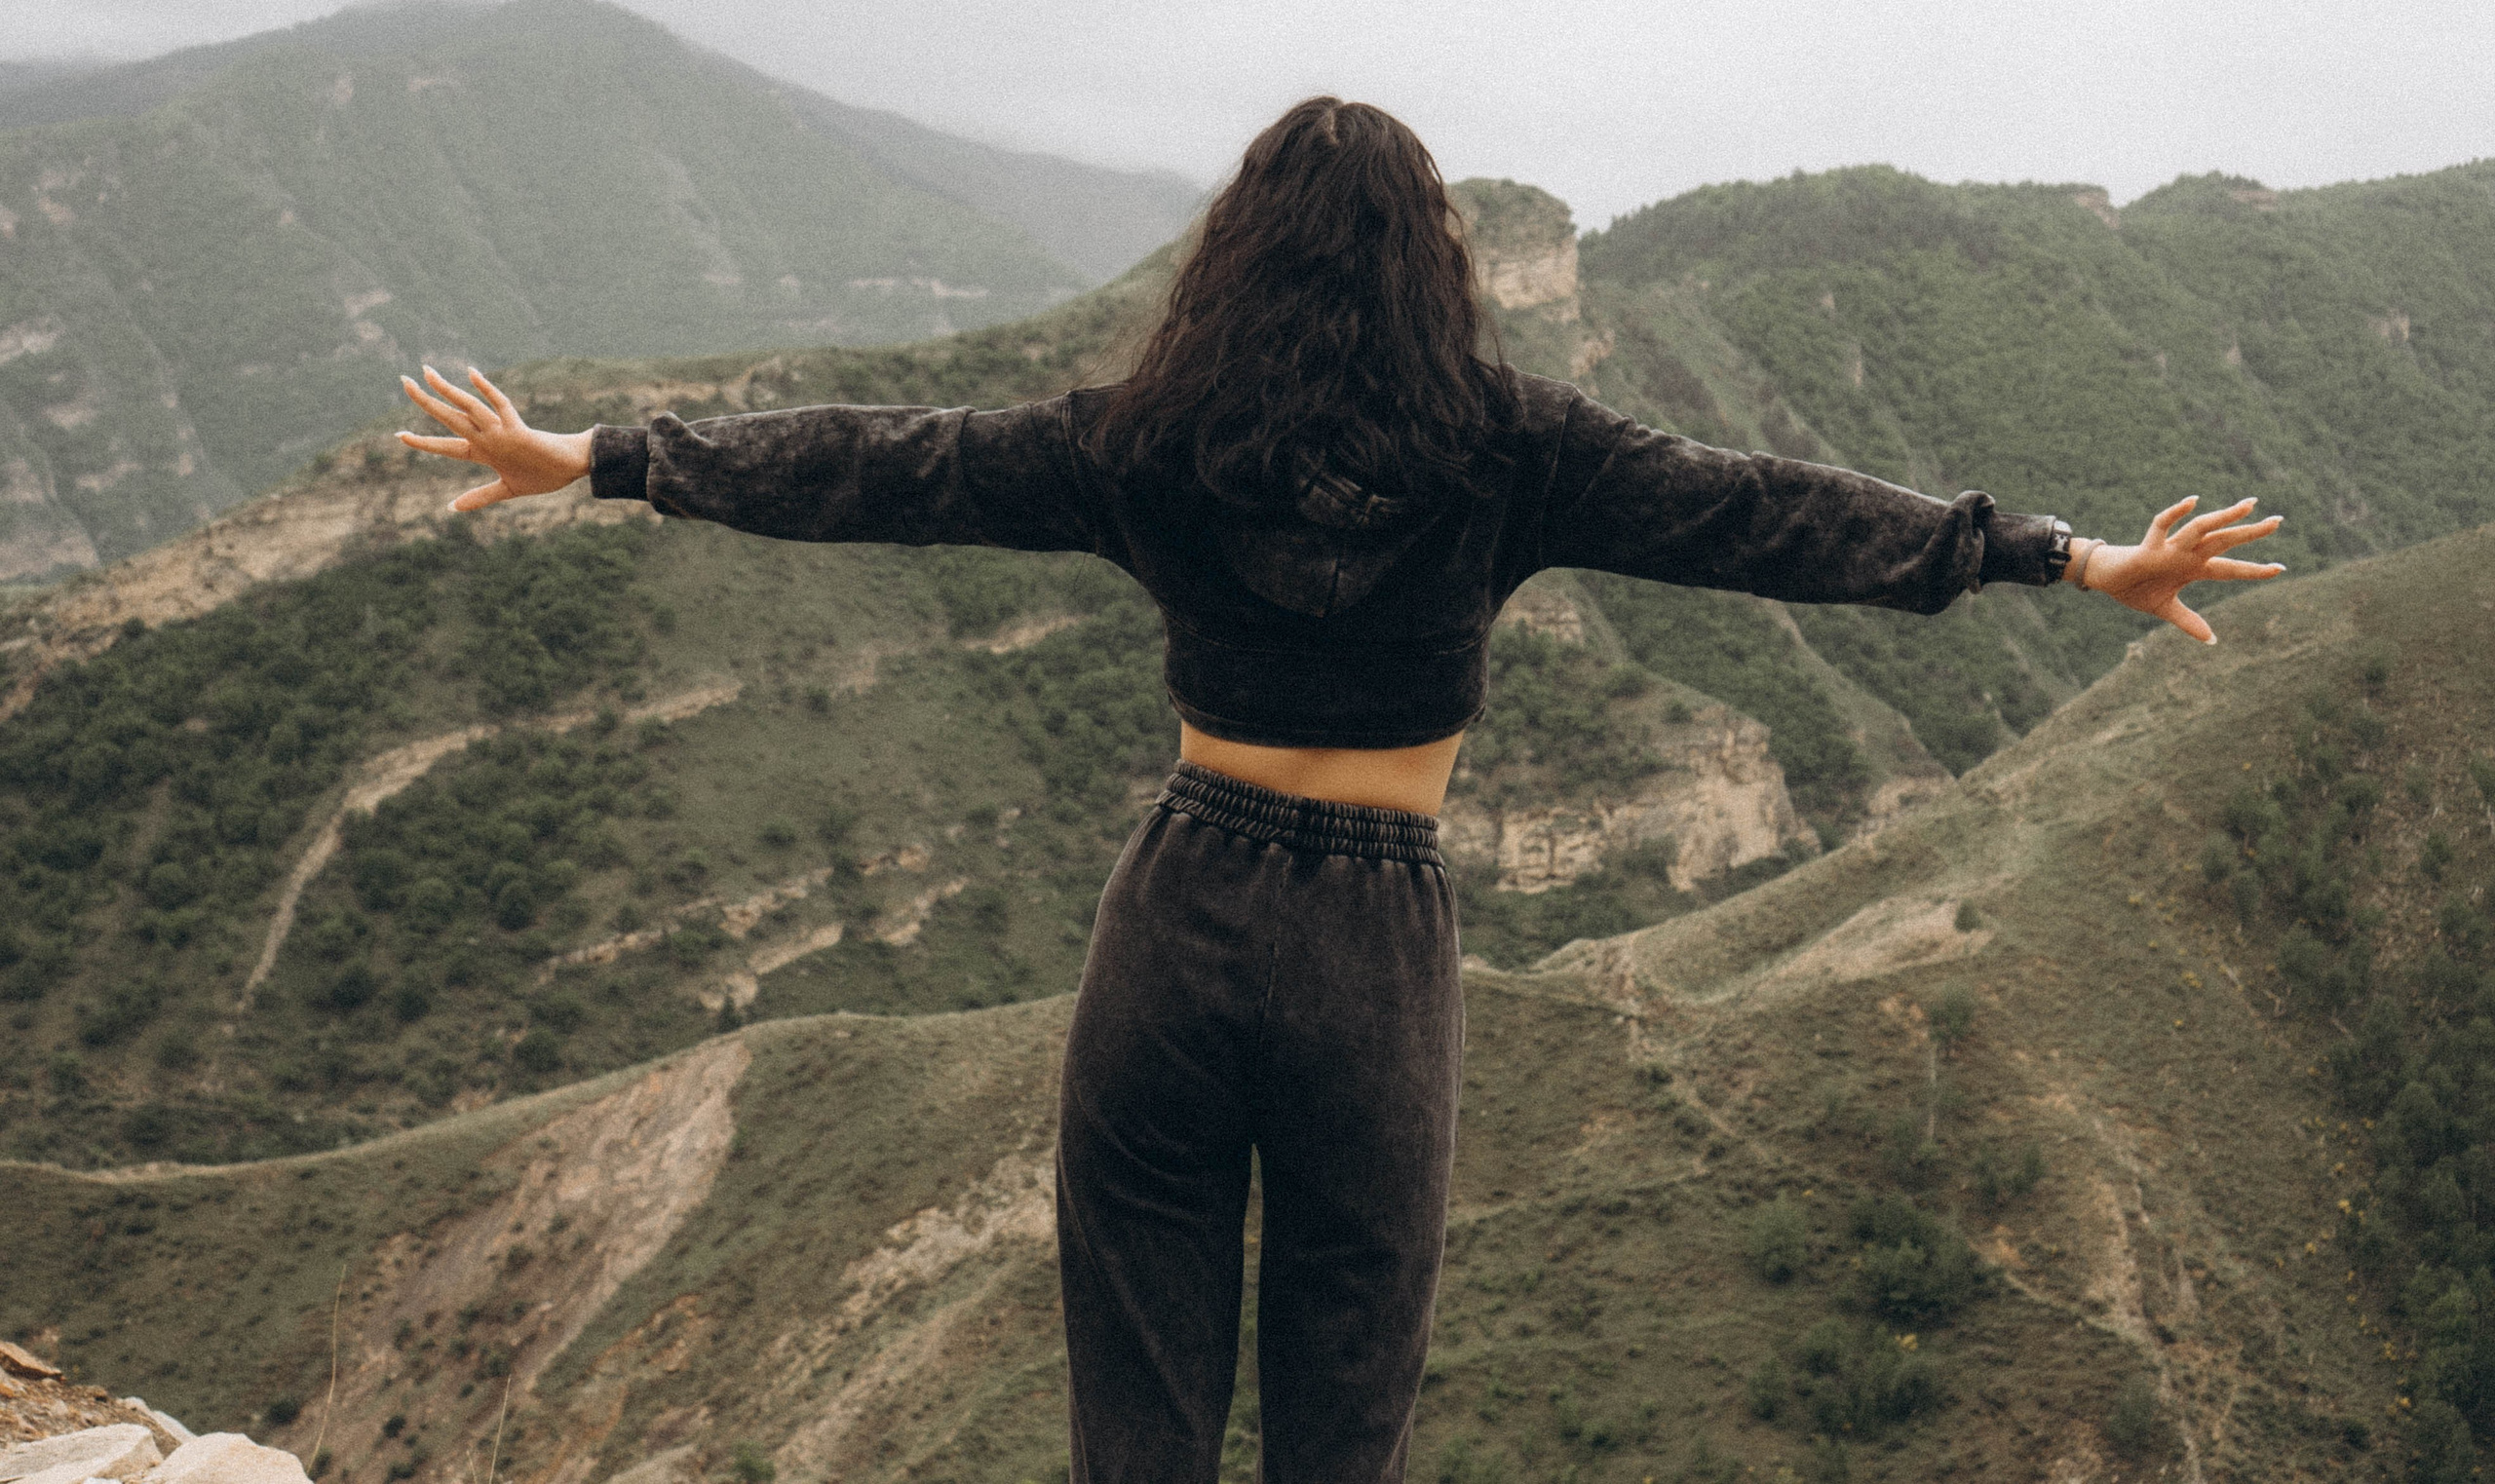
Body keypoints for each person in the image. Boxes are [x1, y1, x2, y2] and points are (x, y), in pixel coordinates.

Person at [396, 96, 2283, 1484]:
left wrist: (608, 454)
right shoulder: (1506, 445)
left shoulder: (1144, 439)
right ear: (1432, 267)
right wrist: (2055, 554)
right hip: (1369, 942)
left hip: (1176, 904)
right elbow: (1760, 512)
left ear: (1231, 261)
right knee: (1338, 1422)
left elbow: (897, 465)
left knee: (1133, 1425)